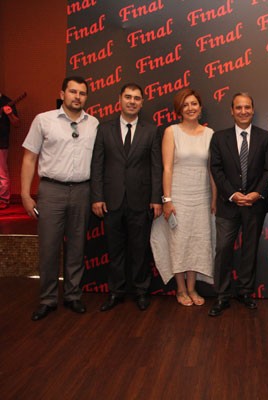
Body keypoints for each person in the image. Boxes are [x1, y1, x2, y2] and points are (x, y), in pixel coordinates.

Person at [21, 76, 99, 321]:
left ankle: (73, 295)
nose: (77, 97)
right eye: (73, 92)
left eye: (82, 93)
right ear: (62, 94)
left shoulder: (94, 124)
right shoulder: (43, 120)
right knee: (49, 247)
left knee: (77, 247)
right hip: (51, 191)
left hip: (82, 191)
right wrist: (25, 194)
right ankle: (47, 299)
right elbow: (29, 159)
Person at [90, 83, 162, 312]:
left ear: (142, 102)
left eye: (137, 98)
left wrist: (156, 198)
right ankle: (116, 292)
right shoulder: (104, 129)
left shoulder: (151, 130)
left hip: (141, 200)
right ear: (119, 99)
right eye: (128, 97)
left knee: (140, 249)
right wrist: (97, 197)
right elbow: (97, 165)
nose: (132, 101)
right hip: (111, 201)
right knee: (114, 250)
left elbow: (156, 167)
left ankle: (141, 291)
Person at [208, 92, 268, 317]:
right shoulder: (219, 138)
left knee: (250, 249)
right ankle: (222, 295)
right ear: (232, 111)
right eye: (239, 107)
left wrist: (257, 193)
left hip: (255, 204)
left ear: (253, 110)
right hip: (228, 204)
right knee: (223, 249)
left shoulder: (265, 137)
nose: (243, 111)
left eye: (247, 107)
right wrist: (232, 194)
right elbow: (216, 169)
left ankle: (245, 292)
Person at [150, 88, 216, 306]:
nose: (190, 108)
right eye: (185, 105)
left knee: (197, 242)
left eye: (194, 104)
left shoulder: (210, 134)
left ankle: (192, 288)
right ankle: (180, 289)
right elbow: (167, 168)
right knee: (178, 242)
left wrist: (214, 198)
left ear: (200, 107)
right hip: (178, 196)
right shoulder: (171, 132)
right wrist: (167, 200)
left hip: (202, 196)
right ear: (179, 109)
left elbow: (212, 170)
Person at [0, 91, 21, 209]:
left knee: (1, 173)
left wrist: (10, 114)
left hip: (1, 143)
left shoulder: (7, 101)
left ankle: (3, 199)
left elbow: (16, 123)